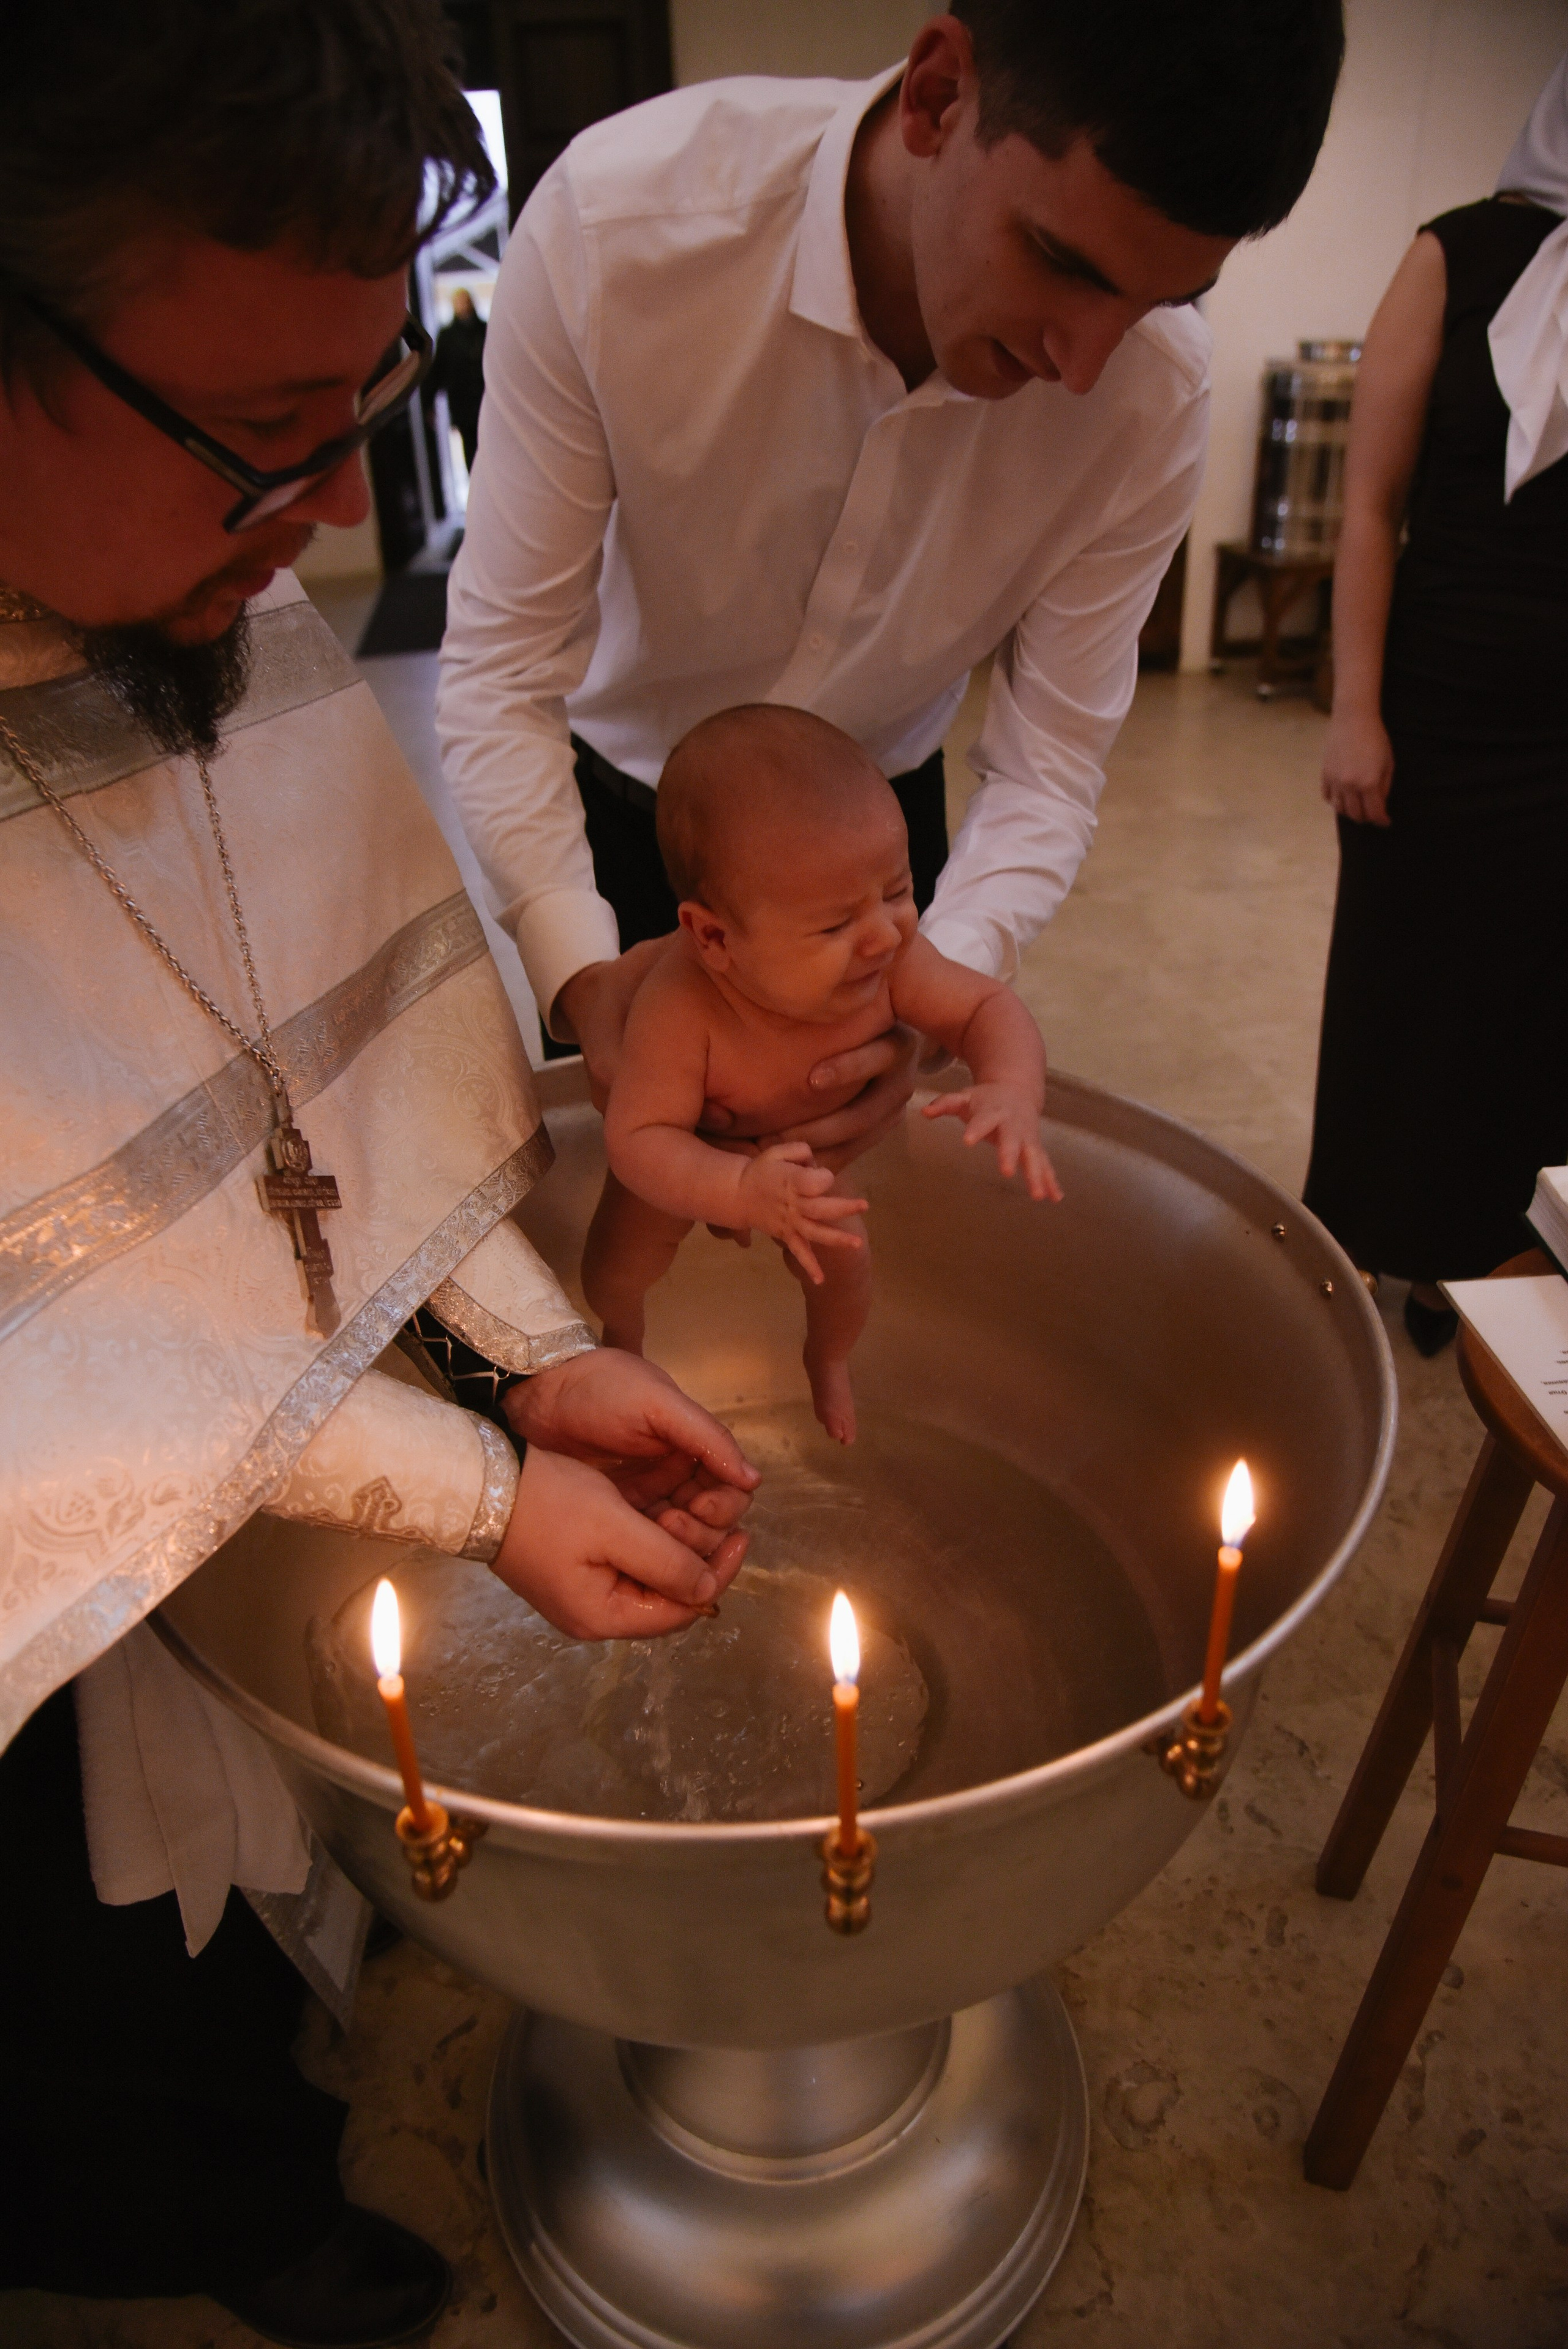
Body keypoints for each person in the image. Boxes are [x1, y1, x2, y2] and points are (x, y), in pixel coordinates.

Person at [0, 5, 756, 2342]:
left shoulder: (189, 594)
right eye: (252, 438)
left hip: (222, 1515)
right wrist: (459, 1482)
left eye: (355, 423)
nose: (330, 521)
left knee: (206, 1946)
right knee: (64, 1979)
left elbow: (310, 1092)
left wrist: (516, 1361)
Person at [437, 1, 1344, 1148]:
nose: (1084, 366)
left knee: (843, 1206)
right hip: (622, 820)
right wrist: (581, 975)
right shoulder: (617, 232)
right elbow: (503, 666)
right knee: (642, 1195)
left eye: (1159, 303)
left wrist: (932, 993)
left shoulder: (1151, 396)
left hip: (879, 834)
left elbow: (1049, 767)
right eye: (1061, 263)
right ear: (937, 93)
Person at [583, 705, 1057, 1443]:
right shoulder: (679, 1005)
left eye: (897, 891)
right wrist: (737, 1189)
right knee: (618, 1257)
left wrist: (1010, 1085)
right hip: (698, 1152)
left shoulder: (893, 959)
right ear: (713, 937)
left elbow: (986, 1008)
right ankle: (620, 1330)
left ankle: (828, 1355)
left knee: (845, 1262)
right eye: (835, 926)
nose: (882, 933)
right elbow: (640, 1137)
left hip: (809, 1160)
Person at [1303, 53, 1568, 1356]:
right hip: (1442, 705)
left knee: (1541, 1009)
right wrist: (1355, 707)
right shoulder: (1456, 253)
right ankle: (1368, 1242)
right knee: (1411, 998)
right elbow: (1367, 504)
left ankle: (1483, 1259)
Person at [428, 283, 486, 471]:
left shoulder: (485, 330)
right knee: (472, 453)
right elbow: (438, 371)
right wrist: (428, 403)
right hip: (464, 406)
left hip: (486, 402)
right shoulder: (448, 336)